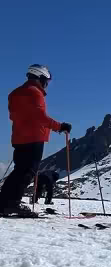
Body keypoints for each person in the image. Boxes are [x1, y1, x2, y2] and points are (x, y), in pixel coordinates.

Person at [0, 65, 71, 217]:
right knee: (27, 172)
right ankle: (12, 204)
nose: (47, 84)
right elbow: (40, 117)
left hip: (19, 137)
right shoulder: (35, 93)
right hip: (34, 138)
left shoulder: (15, 93)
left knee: (20, 170)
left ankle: (4, 202)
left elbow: (14, 116)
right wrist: (60, 126)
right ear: (41, 78)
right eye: (47, 81)